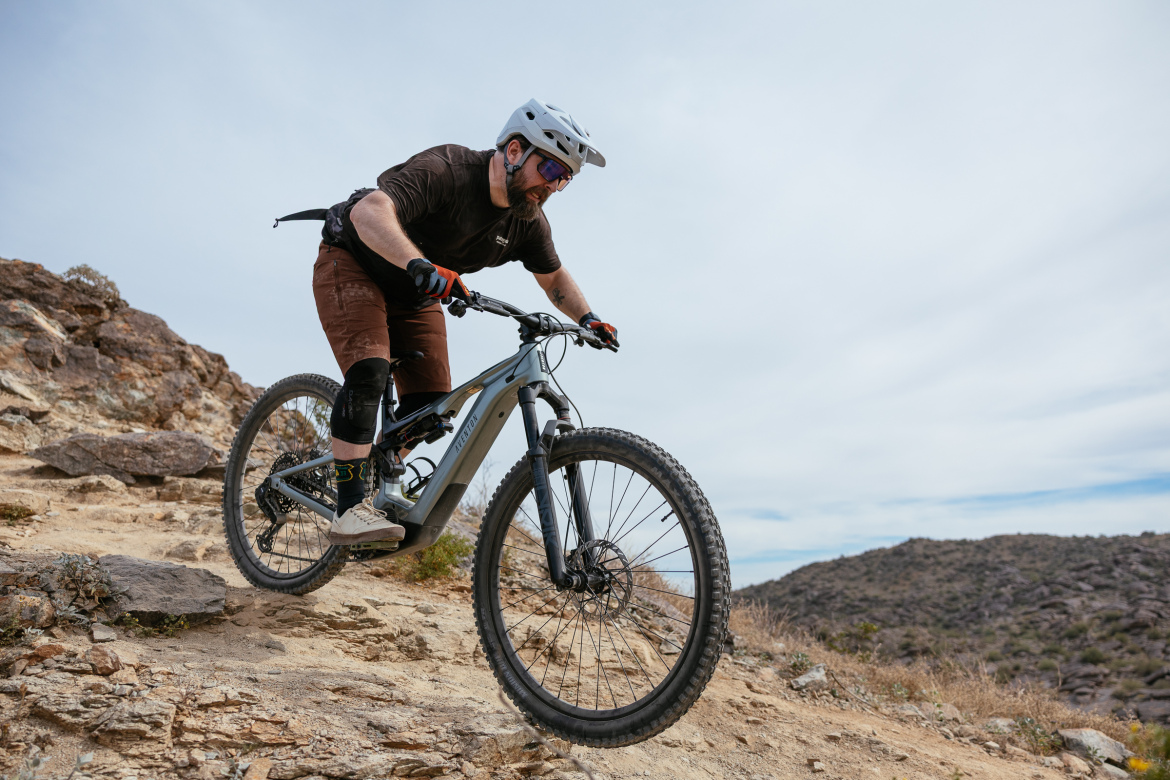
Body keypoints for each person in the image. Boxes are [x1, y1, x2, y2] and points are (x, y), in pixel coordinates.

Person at [310, 99, 619, 546]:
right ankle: (350, 508)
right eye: (550, 171)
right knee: (370, 373)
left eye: (565, 179)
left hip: (416, 290)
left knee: (434, 406)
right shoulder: (449, 170)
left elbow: (553, 278)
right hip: (353, 260)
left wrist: (589, 318)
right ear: (514, 151)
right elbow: (369, 211)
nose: (553, 187)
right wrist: (418, 263)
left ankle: (373, 470)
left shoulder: (527, 222)